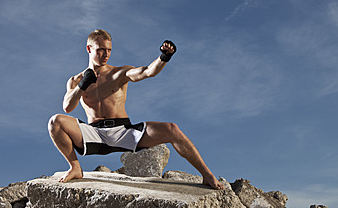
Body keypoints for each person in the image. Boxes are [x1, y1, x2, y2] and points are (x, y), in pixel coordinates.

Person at [48, 29, 224, 190]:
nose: (106, 54)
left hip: (124, 131)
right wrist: (82, 86)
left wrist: (164, 57)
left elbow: (148, 72)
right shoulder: (75, 80)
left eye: (109, 50)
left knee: (172, 129)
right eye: (101, 49)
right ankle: (75, 168)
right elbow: (67, 107)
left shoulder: (119, 73)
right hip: (94, 133)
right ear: (89, 48)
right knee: (55, 121)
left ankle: (207, 175)